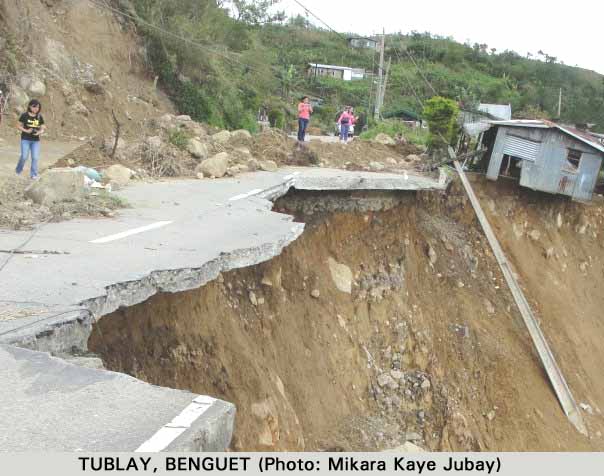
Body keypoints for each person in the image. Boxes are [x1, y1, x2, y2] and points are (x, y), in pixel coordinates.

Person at [16, 99, 45, 179]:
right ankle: (18, 170)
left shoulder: (39, 116)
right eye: (34, 107)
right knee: (24, 156)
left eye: (38, 107)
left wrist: (40, 132)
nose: (36, 109)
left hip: (36, 140)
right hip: (25, 139)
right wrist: (26, 131)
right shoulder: (24, 115)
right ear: (30, 106)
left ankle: (33, 174)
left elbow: (43, 127)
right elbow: (18, 125)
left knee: (35, 157)